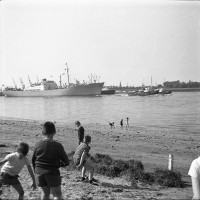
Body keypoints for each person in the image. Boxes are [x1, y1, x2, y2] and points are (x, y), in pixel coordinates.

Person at [32, 121, 69, 200]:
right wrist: (60, 164)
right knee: (57, 194)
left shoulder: (37, 144)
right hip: (52, 172)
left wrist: (36, 172)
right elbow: (66, 162)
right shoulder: (58, 145)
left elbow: (33, 160)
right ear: (54, 132)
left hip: (39, 172)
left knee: (45, 193)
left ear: (42, 132)